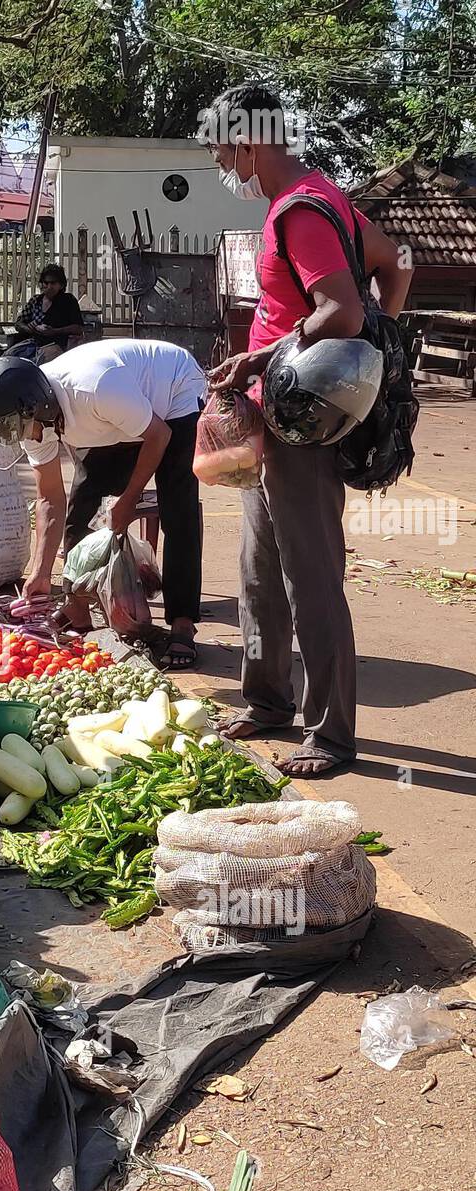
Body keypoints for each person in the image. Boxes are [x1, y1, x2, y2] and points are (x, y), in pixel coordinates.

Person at [204, 83, 412, 776]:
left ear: (253, 142)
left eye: (223, 147)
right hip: (272, 414)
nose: (222, 162)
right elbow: (395, 263)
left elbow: (344, 310)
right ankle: (267, 701)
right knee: (259, 568)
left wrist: (297, 356)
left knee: (310, 576)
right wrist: (375, 352)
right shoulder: (321, 196)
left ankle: (331, 736)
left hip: (301, 423)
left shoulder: (301, 211)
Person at [0, 341, 206, 669]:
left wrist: (129, 499)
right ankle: (76, 604)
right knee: (83, 507)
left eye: (20, 429)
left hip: (172, 391)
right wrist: (39, 573)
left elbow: (159, 435)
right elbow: (50, 499)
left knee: (178, 508)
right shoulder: (31, 418)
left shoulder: (96, 386)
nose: (24, 437)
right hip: (118, 419)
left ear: (35, 406)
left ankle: (182, 621)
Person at [6, 264, 84, 365]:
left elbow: (78, 327)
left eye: (53, 283)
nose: (49, 287)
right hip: (33, 343)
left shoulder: (68, 301)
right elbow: (19, 323)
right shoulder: (35, 301)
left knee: (38, 363)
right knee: (9, 359)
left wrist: (55, 331)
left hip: (57, 345)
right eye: (46, 283)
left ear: (61, 285)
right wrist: (28, 328)